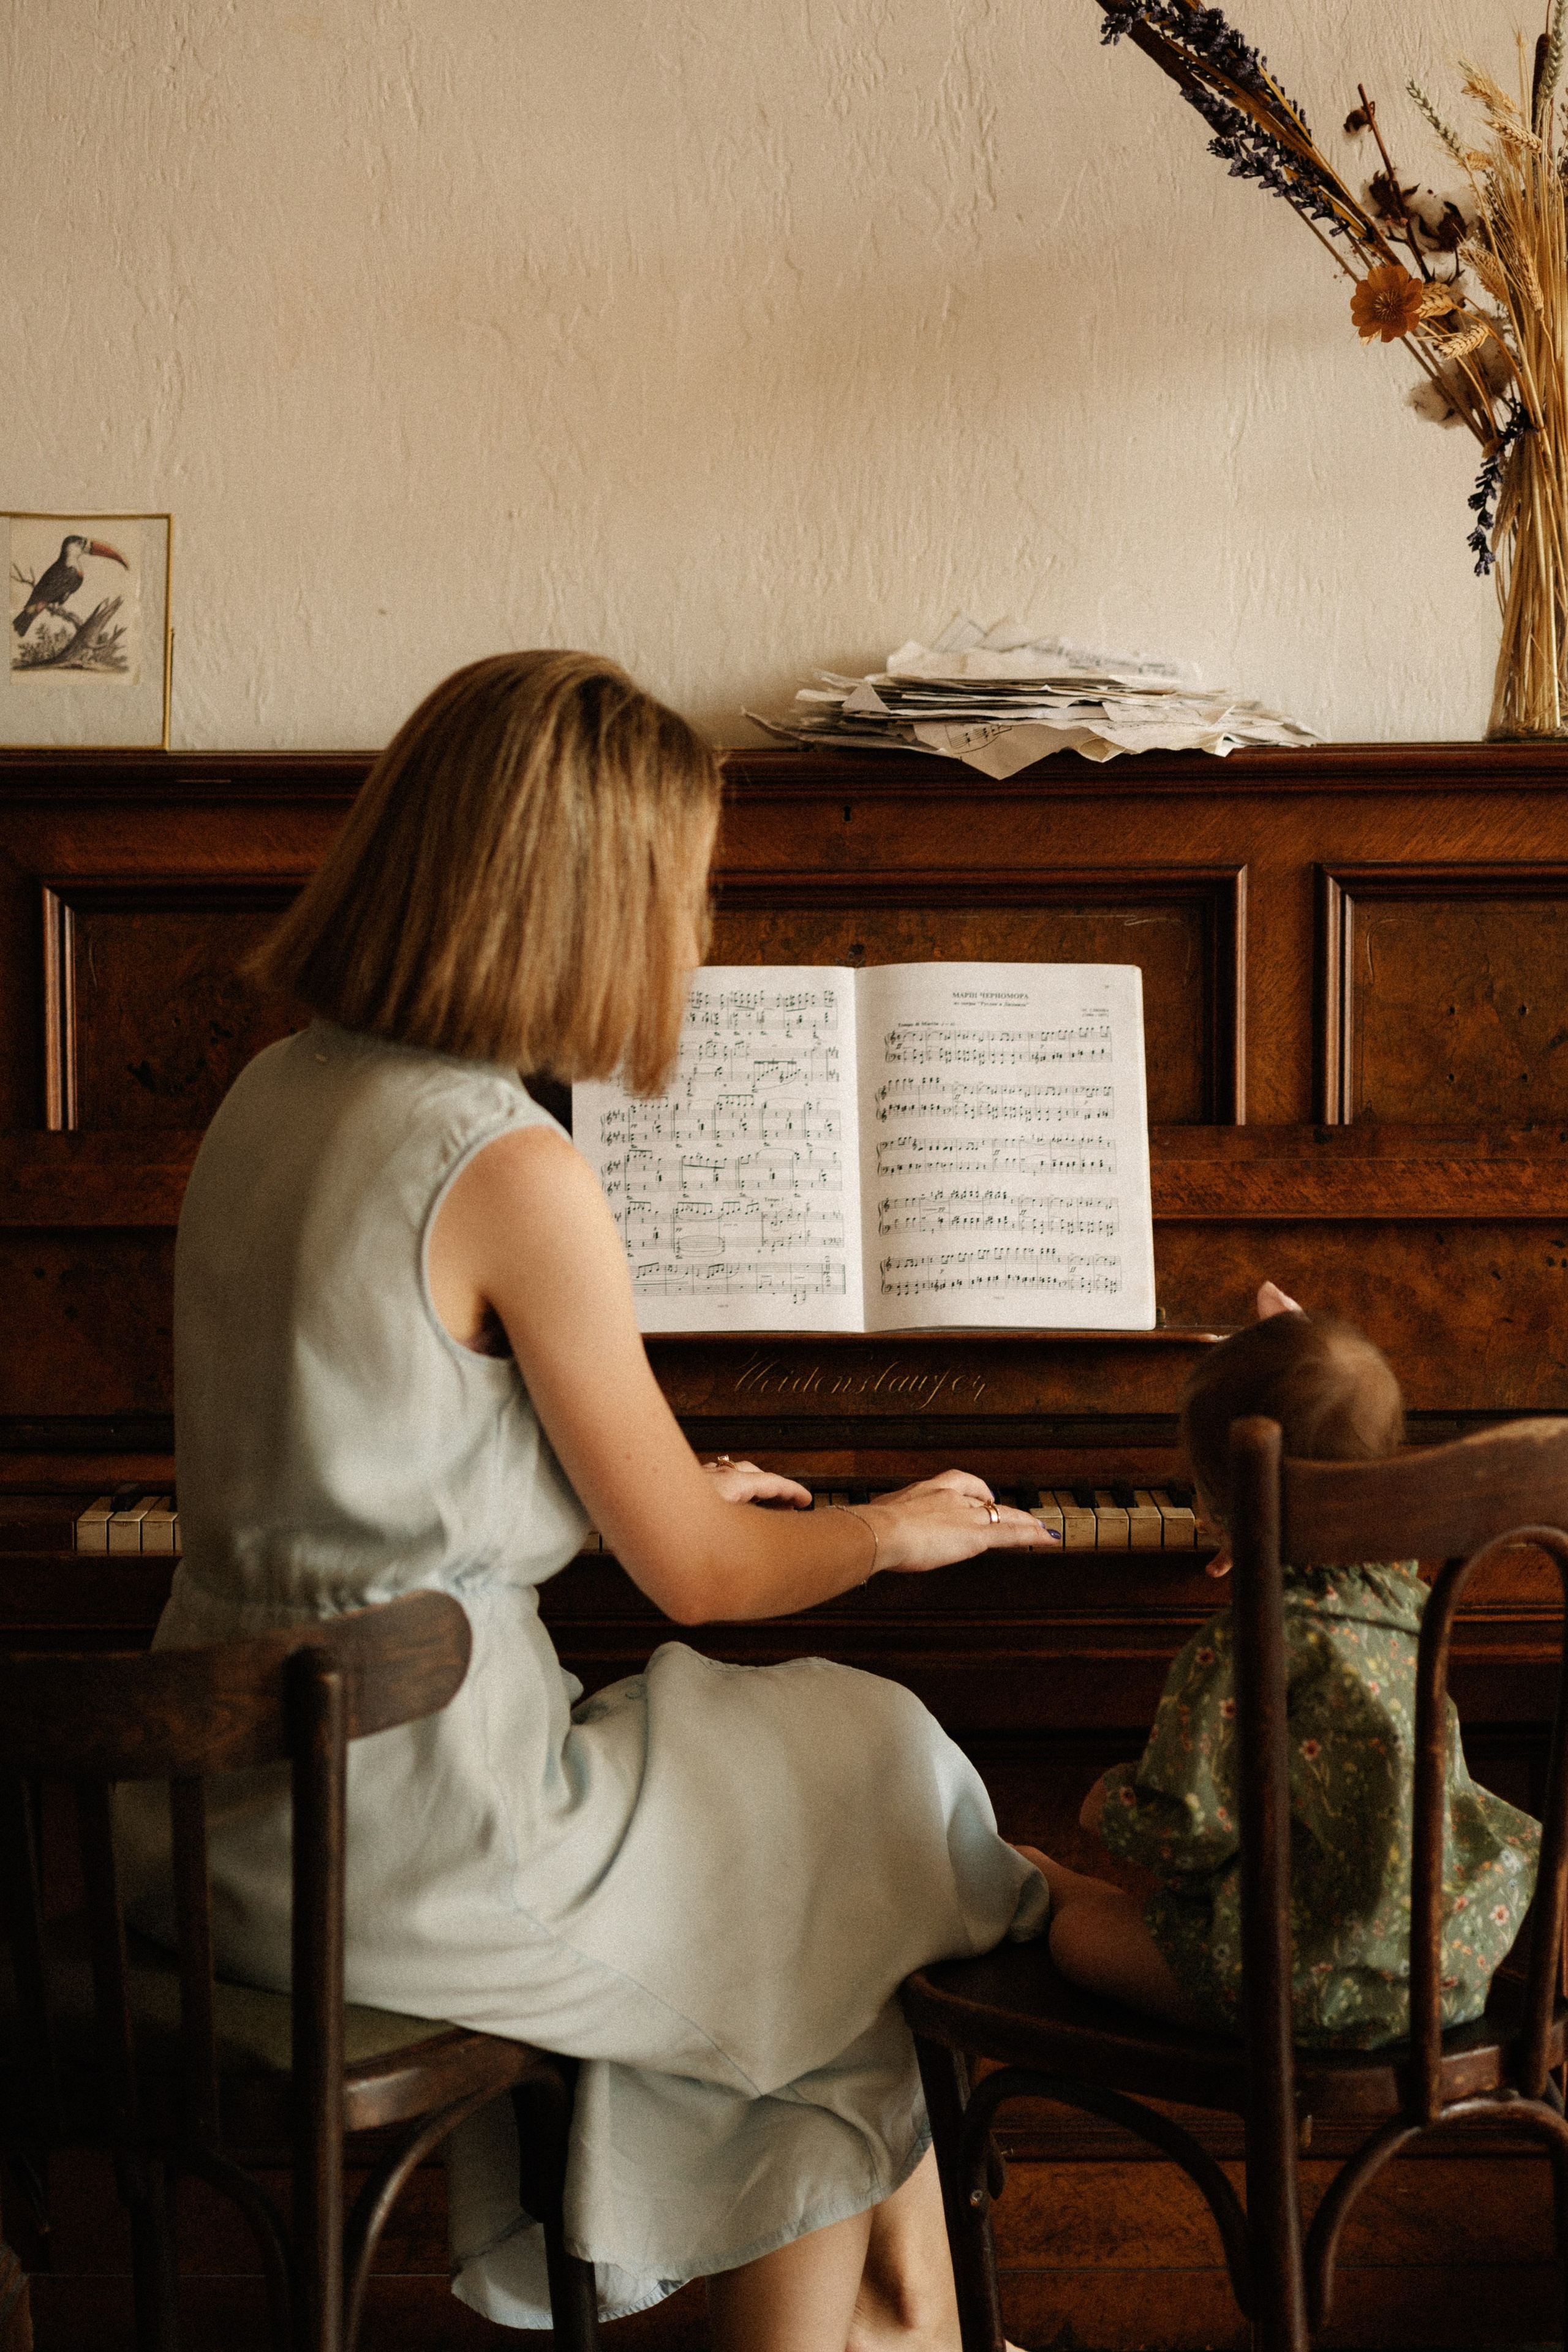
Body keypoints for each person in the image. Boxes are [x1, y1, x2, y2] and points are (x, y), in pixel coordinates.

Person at [119, 650, 1057, 2351]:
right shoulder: (507, 1163)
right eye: (681, 893)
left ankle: (905, 2324)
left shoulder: (271, 1094)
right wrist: (890, 1529)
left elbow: (372, 1449)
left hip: (213, 1821)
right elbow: (701, 1579)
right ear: (580, 901)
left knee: (802, 1881)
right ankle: (911, 2320)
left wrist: (625, 1477)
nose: (691, 935)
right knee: (866, 1767)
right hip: (415, 1832)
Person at [1036, 1291, 1540, 2048]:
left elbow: (1189, 1834)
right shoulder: (1400, 1586)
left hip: (1309, 1987)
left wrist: (1106, 1806)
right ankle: (1058, 1882)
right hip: (1449, 1973)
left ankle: (1049, 1883)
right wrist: (1308, 1388)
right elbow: (1344, 1455)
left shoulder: (1245, 1642)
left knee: (1077, 1939)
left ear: (1221, 1496)